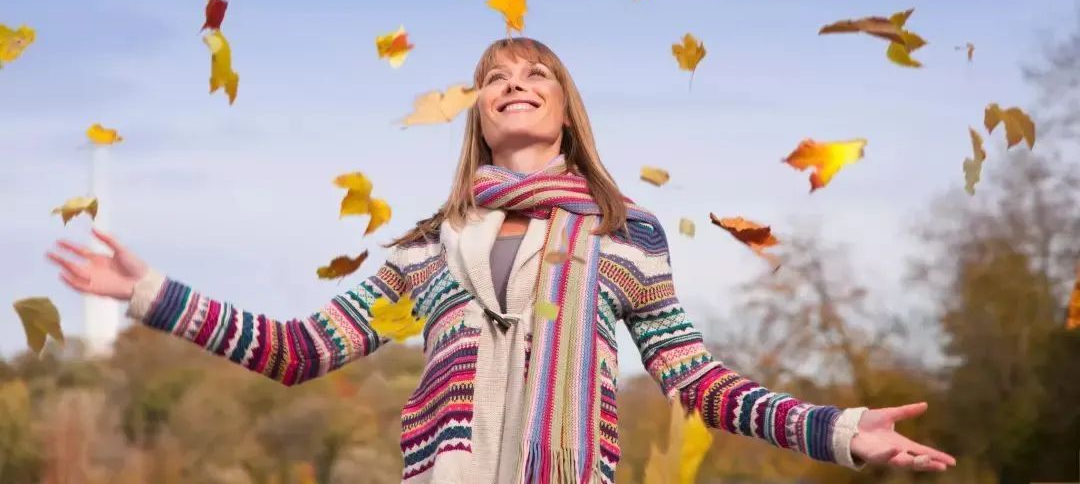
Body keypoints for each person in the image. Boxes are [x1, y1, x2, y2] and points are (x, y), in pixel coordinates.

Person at [48, 37, 956, 483]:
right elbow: (297, 351)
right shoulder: (426, 246)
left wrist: (838, 432)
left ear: (565, 110)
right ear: (479, 113)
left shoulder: (625, 232)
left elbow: (700, 382)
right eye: (494, 77)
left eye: (535, 73)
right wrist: (151, 296)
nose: (513, 83)